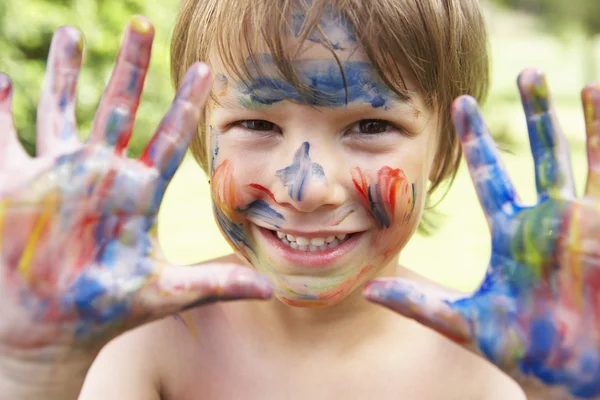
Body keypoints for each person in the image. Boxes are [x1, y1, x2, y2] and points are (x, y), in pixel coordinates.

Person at [0, 0, 598, 398]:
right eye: (257, 125)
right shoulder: (148, 339)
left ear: (445, 152)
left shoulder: (493, 365)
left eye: (369, 126)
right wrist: (29, 376)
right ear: (202, 146)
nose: (305, 188)